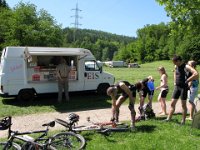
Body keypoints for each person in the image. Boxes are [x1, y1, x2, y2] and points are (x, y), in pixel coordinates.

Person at [165, 55, 199, 125]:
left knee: (183, 105)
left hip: (183, 87)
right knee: (172, 103)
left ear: (178, 61)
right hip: (177, 87)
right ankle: (168, 118)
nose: (174, 64)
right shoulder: (176, 66)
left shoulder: (186, 66)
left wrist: (188, 80)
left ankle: (183, 121)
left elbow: (196, 74)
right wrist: (175, 81)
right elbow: (175, 72)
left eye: (174, 62)